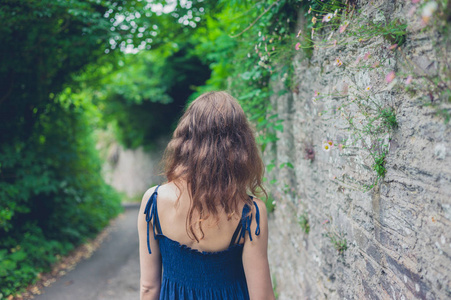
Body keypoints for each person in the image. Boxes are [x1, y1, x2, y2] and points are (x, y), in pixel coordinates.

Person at [137, 91, 275, 300]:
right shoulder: (250, 212)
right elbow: (261, 296)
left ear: (186, 139)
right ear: (240, 145)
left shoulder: (153, 202)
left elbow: (148, 288)